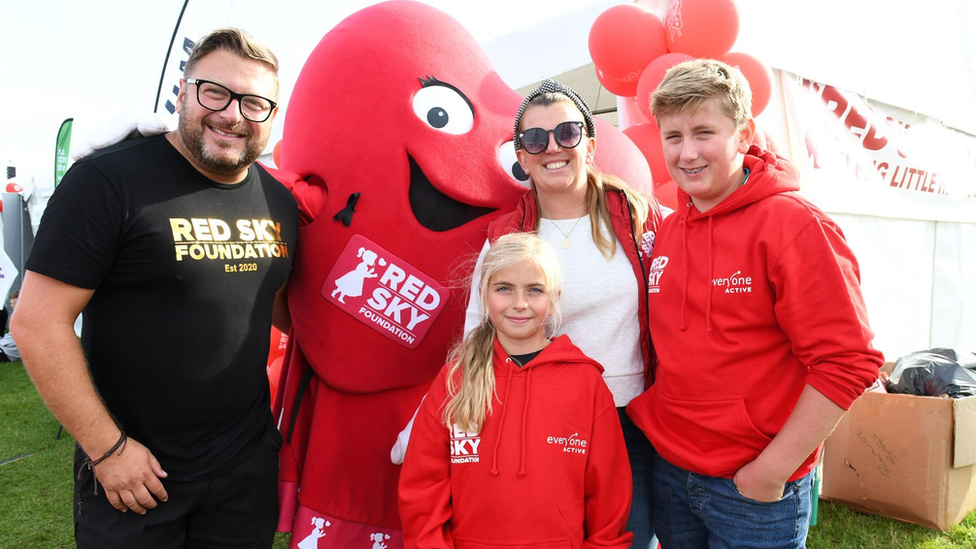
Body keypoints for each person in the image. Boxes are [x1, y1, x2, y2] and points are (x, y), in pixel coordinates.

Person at [11, 28, 298, 548]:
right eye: (216, 92)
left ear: (272, 116)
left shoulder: (279, 201)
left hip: (243, 472)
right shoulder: (108, 180)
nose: (233, 114)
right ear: (183, 91)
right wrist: (107, 448)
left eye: (255, 103)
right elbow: (36, 322)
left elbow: (282, 310)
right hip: (135, 472)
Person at [626, 58, 885, 548]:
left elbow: (848, 362)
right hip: (673, 473)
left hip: (753, 489)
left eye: (705, 132)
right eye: (673, 137)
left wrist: (771, 471)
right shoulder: (667, 231)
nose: (687, 153)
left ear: (744, 134)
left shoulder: (794, 225)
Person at [398, 233, 632, 549]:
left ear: (554, 300)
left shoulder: (586, 384)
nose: (519, 303)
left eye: (534, 290)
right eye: (504, 288)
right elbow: (423, 487)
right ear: (483, 295)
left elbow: (608, 495)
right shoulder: (456, 379)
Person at [0, 290, 20, 362]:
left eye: (13, 303)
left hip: (7, 351)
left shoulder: (24, 318)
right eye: (11, 303)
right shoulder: (15, 315)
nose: (11, 305)